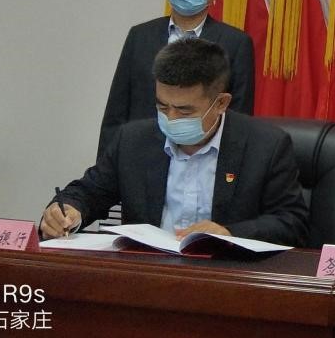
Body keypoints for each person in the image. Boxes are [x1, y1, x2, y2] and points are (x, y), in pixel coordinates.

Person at [41, 37, 308, 246]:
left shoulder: (266, 145)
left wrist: (228, 233)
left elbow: (292, 223)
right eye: (162, 106)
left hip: (227, 278)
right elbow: (89, 192)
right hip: (148, 276)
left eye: (184, 111)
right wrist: (69, 210)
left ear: (221, 103)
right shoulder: (133, 140)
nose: (170, 118)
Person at [97, 0, 254, 160]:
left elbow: (240, 114)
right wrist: (106, 163)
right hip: (142, 153)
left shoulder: (236, 43)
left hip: (204, 155)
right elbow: (117, 107)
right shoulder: (140, 35)